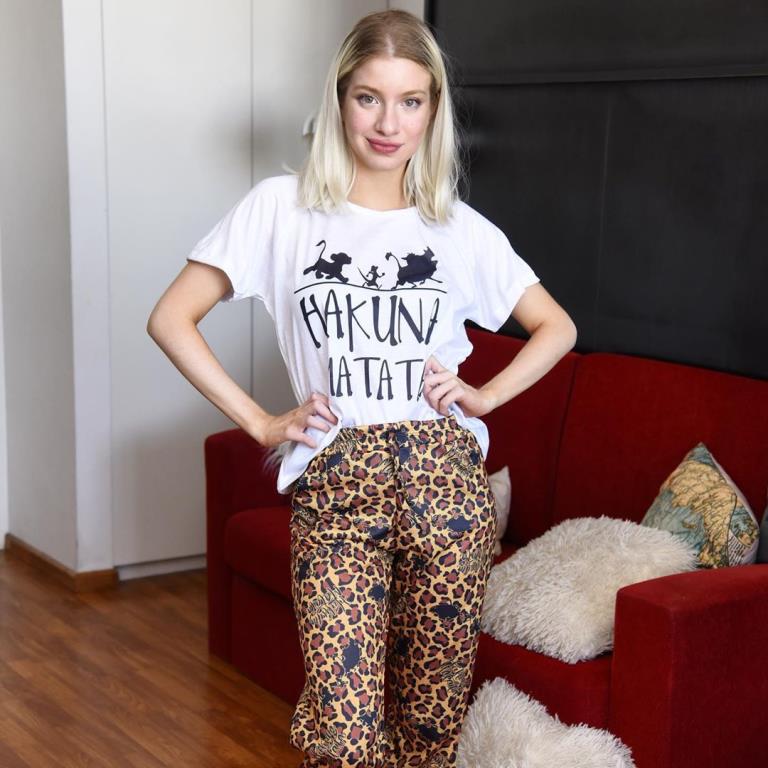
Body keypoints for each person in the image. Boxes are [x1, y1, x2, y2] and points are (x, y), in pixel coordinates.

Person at [148, 9, 576, 768]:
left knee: (431, 725)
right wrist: (260, 422)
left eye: (411, 101)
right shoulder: (281, 209)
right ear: (340, 99)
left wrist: (483, 397)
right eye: (369, 98)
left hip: (446, 487)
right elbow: (171, 318)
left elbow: (556, 327)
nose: (388, 123)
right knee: (343, 735)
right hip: (337, 487)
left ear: (433, 111)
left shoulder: (459, 228)